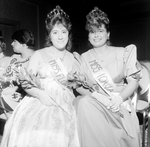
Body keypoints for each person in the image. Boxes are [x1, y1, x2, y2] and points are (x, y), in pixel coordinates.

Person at [1, 5, 80, 147]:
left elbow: (77, 86)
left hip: (65, 103)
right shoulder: (39, 54)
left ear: (69, 34)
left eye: (64, 31)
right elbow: (26, 83)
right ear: (49, 35)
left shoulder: (74, 58)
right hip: (38, 99)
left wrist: (70, 82)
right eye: (55, 32)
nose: (60, 36)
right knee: (32, 132)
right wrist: (39, 94)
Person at [73, 7, 142, 147]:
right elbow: (78, 87)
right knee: (83, 103)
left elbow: (133, 83)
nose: (96, 35)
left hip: (118, 105)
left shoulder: (123, 53)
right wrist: (98, 98)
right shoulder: (83, 58)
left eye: (100, 31)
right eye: (92, 32)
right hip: (94, 103)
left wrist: (118, 99)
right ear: (88, 36)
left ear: (108, 34)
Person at [0, 29, 35, 118]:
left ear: (24, 44)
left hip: (21, 101)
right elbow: (5, 75)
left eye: (14, 41)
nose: (11, 44)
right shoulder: (14, 58)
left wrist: (15, 88)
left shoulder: (35, 60)